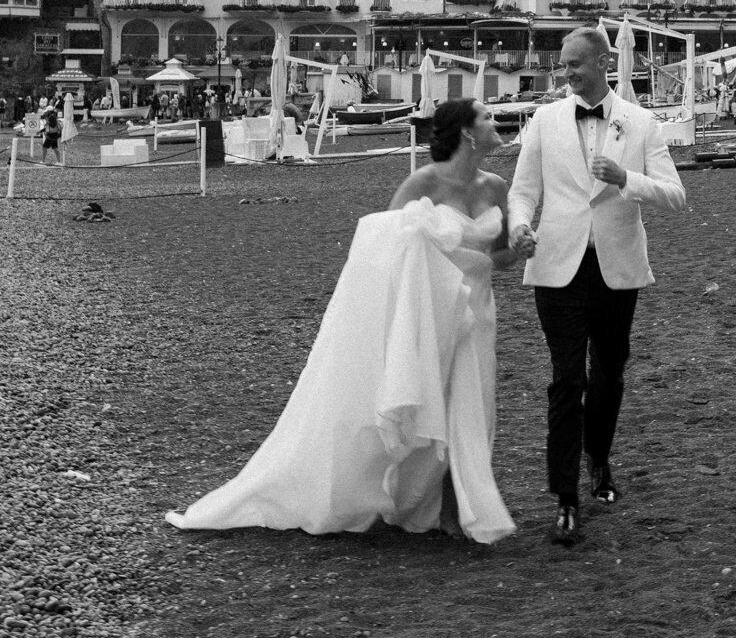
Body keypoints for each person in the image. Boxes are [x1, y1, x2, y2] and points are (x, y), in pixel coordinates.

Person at [166, 99, 522, 545]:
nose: (497, 122)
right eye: (487, 116)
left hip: (477, 309)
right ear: (468, 133)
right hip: (428, 310)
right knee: (430, 398)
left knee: (472, 406)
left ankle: (455, 508)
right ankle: (393, 492)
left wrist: (521, 249)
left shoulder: (497, 188)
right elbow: (383, 246)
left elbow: (501, 257)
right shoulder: (423, 182)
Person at [508, 26, 686, 548]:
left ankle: (599, 459)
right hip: (557, 267)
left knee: (608, 374)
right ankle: (565, 498)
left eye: (574, 65)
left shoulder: (642, 123)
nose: (566, 74)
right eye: (563, 65)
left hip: (615, 270)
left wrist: (624, 179)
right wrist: (520, 225)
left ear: (603, 63)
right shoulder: (544, 120)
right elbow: (523, 191)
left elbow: (676, 195)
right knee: (567, 379)